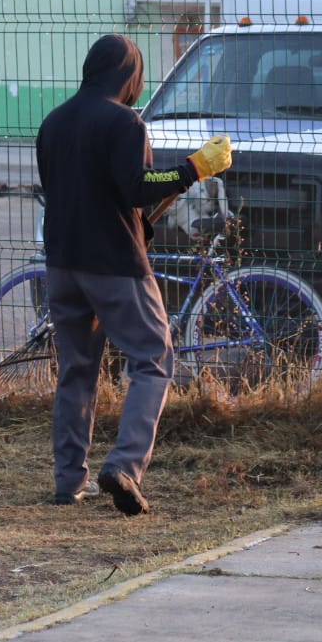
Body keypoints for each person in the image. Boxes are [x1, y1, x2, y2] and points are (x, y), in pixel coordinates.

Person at [37, 34, 232, 515]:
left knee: (77, 370)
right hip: (115, 265)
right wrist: (194, 168)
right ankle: (124, 466)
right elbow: (137, 188)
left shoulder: (53, 122)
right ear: (130, 77)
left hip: (62, 264)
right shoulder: (125, 122)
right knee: (153, 356)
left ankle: (68, 483)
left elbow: (73, 190)